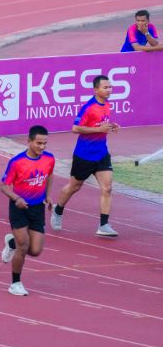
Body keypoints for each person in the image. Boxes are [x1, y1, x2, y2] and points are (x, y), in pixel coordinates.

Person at [50, 75, 120, 237]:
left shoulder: (107, 104)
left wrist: (111, 126)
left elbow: (101, 124)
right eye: (105, 87)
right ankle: (58, 209)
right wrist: (99, 129)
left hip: (102, 154)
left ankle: (103, 225)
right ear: (96, 90)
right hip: (84, 155)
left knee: (107, 188)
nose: (109, 90)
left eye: (110, 87)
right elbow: (75, 128)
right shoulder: (89, 107)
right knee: (74, 187)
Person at [0, 125, 55, 296]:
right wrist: (16, 198)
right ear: (29, 141)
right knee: (23, 247)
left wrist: (48, 195)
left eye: (44, 143)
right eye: (38, 143)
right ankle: (15, 283)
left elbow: (49, 175)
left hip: (37, 208)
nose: (42, 147)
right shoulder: (16, 162)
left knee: (35, 251)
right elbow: (4, 186)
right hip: (19, 207)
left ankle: (11, 243)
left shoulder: (49, 159)